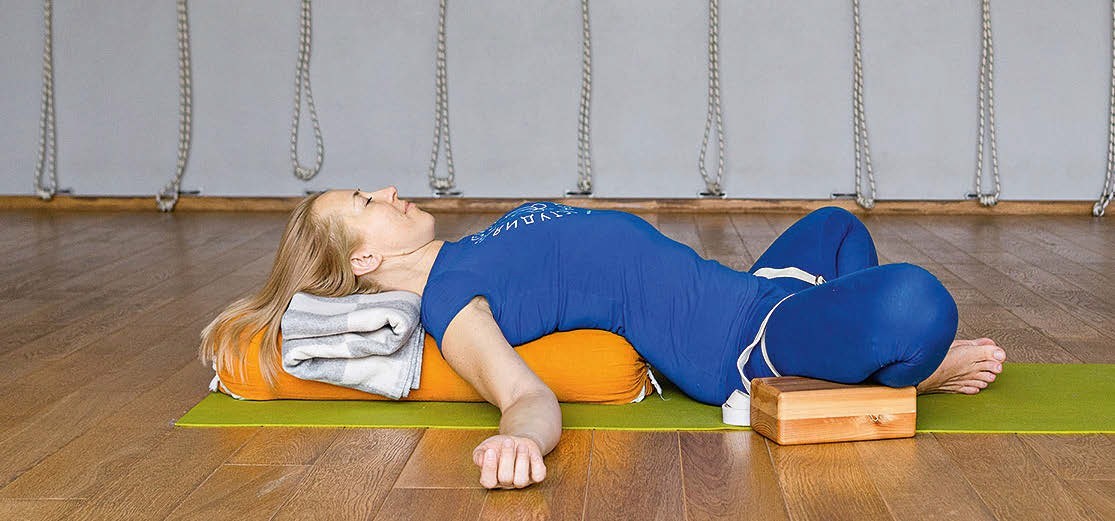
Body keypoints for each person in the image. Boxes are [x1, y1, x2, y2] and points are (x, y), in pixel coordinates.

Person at [199, 186, 1007, 490]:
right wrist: (520, 440)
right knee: (916, 302)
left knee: (834, 225)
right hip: (742, 339)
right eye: (365, 202)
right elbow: (523, 393)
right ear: (365, 259)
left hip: (754, 287)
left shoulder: (468, 248)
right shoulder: (451, 301)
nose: (387, 190)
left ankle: (846, 356)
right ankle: (895, 374)